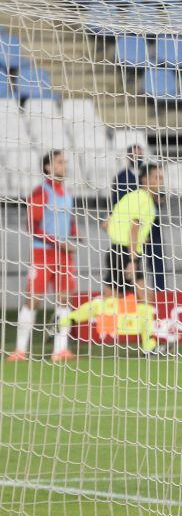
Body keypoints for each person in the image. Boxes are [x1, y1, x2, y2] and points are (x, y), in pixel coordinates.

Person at [8, 150, 80, 362]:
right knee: (33, 300)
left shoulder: (66, 193)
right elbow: (31, 224)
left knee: (64, 300)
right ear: (48, 167)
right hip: (43, 254)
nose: (64, 166)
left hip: (64, 255)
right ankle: (20, 350)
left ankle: (60, 350)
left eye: (65, 162)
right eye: (59, 162)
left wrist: (75, 234)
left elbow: (68, 220)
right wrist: (58, 242)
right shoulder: (41, 192)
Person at [84, 162, 163, 353]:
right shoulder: (144, 200)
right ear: (144, 179)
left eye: (161, 178)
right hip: (127, 253)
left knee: (112, 299)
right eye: (156, 178)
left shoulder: (130, 197)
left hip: (116, 250)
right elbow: (134, 229)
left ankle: (64, 320)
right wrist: (133, 260)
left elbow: (107, 223)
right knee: (144, 296)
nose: (160, 182)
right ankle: (148, 345)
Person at [111, 144, 165, 294]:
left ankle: (160, 290)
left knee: (156, 258)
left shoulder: (150, 179)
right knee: (133, 294)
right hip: (128, 242)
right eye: (135, 155)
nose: (137, 158)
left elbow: (161, 198)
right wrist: (132, 259)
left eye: (140, 155)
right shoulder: (123, 178)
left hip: (147, 227)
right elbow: (132, 224)